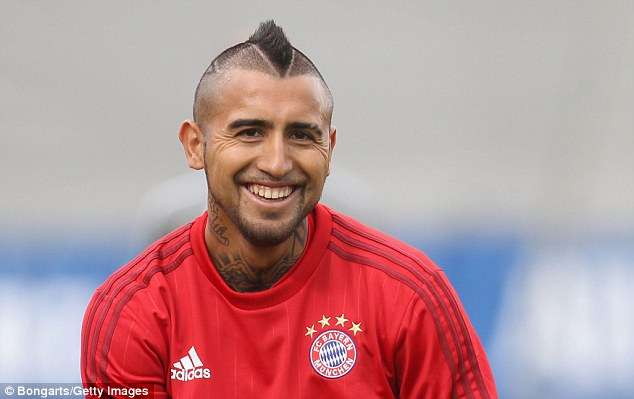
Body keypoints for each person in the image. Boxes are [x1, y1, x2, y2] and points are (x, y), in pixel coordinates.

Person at [81, 20, 497, 399]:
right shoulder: (134, 313)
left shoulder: (410, 295)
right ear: (194, 145)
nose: (277, 163)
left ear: (329, 150)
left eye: (300, 135)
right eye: (249, 132)